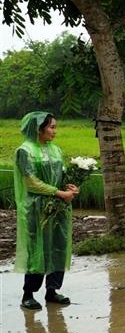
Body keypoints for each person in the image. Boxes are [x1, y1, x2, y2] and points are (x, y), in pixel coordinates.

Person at [13, 112, 77, 310]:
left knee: (58, 244)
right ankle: (28, 294)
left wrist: (72, 187)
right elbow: (31, 182)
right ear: (38, 129)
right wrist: (58, 193)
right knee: (37, 248)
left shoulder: (55, 150)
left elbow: (62, 173)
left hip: (59, 207)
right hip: (36, 207)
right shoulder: (25, 151)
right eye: (51, 127)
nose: (54, 131)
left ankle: (52, 290)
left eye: (55, 127)